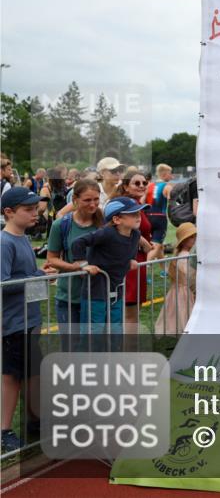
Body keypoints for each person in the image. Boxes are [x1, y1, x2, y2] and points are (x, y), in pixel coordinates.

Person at [2, 187, 58, 452]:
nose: (35, 214)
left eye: (36, 209)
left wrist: (39, 273)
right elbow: (3, 283)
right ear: (9, 212)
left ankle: (35, 420)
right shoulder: (5, 243)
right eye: (28, 210)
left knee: (31, 372)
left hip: (28, 318)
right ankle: (4, 431)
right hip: (13, 322)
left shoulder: (21, 238)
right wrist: (37, 277)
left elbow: (22, 274)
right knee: (12, 376)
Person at [71, 196, 152, 349]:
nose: (138, 216)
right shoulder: (106, 233)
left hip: (117, 290)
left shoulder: (135, 235)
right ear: (116, 219)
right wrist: (83, 264)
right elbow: (78, 243)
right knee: (94, 331)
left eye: (139, 213)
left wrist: (131, 260)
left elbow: (129, 251)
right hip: (96, 291)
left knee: (116, 330)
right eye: (133, 214)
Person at [45, 179, 103, 351]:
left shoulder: (104, 222)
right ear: (75, 200)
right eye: (87, 200)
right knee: (71, 347)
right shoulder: (61, 225)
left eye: (96, 199)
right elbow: (52, 259)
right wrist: (76, 268)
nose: (93, 204)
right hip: (69, 297)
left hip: (98, 295)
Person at [116, 171, 153, 344]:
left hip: (139, 263)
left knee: (134, 312)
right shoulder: (121, 204)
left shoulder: (137, 203)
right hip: (128, 263)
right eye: (136, 183)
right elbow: (113, 226)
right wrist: (140, 238)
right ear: (125, 186)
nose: (142, 186)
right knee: (129, 314)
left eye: (144, 183)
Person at [156, 222, 196, 335]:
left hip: (180, 290)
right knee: (185, 316)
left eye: (195, 237)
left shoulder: (182, 255)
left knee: (181, 316)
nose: (195, 239)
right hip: (184, 291)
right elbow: (189, 275)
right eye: (191, 237)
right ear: (184, 240)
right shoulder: (185, 256)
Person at [146, 164, 172, 265]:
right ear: (165, 174)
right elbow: (172, 200)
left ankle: (164, 270)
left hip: (148, 216)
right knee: (156, 246)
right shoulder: (167, 186)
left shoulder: (149, 185)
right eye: (170, 173)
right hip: (160, 218)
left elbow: (143, 200)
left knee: (159, 245)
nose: (172, 176)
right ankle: (142, 267)